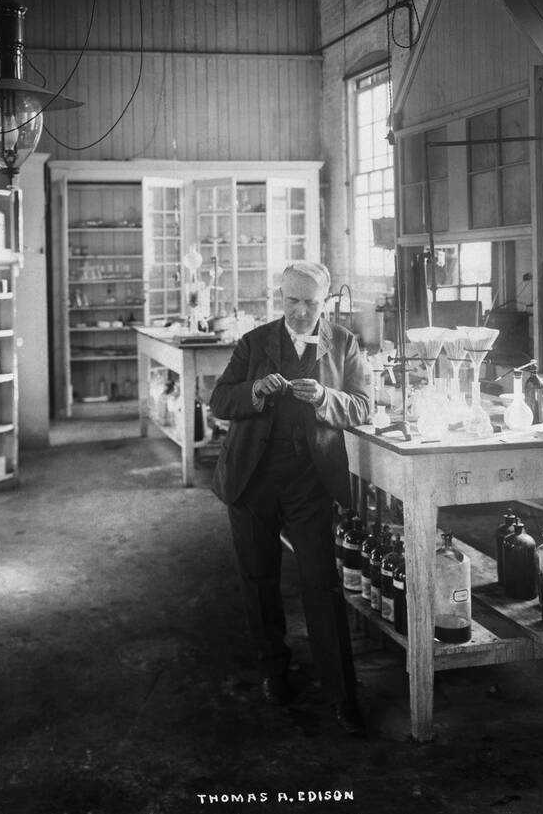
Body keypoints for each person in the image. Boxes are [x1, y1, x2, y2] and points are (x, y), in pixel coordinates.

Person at [209, 260, 371, 735]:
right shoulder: (255, 342)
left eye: (311, 303)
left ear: (326, 302)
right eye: (292, 301)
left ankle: (342, 693)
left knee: (322, 585)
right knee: (259, 583)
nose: (301, 312)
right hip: (252, 479)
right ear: (279, 299)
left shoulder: (343, 343)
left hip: (308, 482)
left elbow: (362, 405)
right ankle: (275, 676)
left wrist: (324, 396)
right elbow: (220, 401)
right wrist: (254, 392)